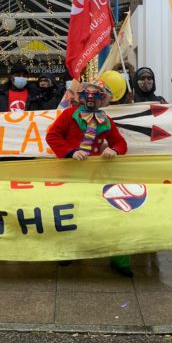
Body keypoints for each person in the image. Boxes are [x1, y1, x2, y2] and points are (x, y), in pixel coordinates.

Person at [46, 79, 130, 276]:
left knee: (111, 214)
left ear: (103, 99)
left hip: (97, 175)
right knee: (71, 214)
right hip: (72, 175)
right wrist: (70, 152)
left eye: (97, 94)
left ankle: (119, 258)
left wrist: (113, 149)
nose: (91, 97)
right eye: (87, 93)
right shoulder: (68, 115)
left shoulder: (106, 121)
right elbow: (53, 136)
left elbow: (120, 142)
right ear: (81, 96)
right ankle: (69, 252)